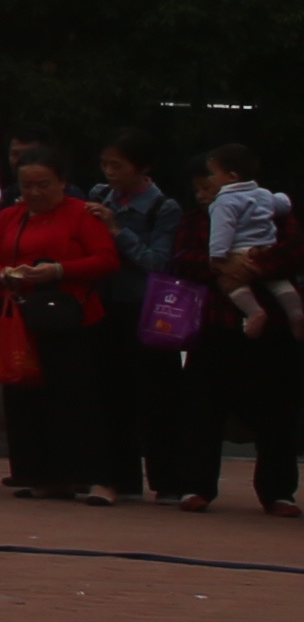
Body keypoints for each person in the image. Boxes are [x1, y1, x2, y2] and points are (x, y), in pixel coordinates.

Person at [0, 146, 121, 507]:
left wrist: (58, 270)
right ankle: (46, 474)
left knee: (78, 399)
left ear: (62, 183)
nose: (35, 193)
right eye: (27, 186)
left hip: (71, 318)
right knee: (30, 398)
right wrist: (4, 274)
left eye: (43, 185)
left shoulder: (81, 214)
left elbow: (105, 259)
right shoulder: (11, 216)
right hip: (24, 318)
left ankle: (97, 478)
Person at [94, 133, 195, 508]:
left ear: (143, 167)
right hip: (108, 306)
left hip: (149, 312)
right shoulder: (101, 197)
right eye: (106, 164)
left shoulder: (163, 208)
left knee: (158, 398)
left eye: (118, 165)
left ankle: (168, 480)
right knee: (112, 397)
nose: (110, 173)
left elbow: (157, 262)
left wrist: (117, 231)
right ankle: (121, 479)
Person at [205, 142, 294, 517]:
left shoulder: (225, 204)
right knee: (205, 408)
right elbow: (187, 258)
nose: (206, 186)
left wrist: (238, 265)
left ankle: (278, 491)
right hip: (217, 326)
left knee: (275, 409)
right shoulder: (264, 200)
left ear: (229, 176)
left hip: (261, 325)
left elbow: (218, 246)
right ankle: (197, 486)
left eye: (210, 176)